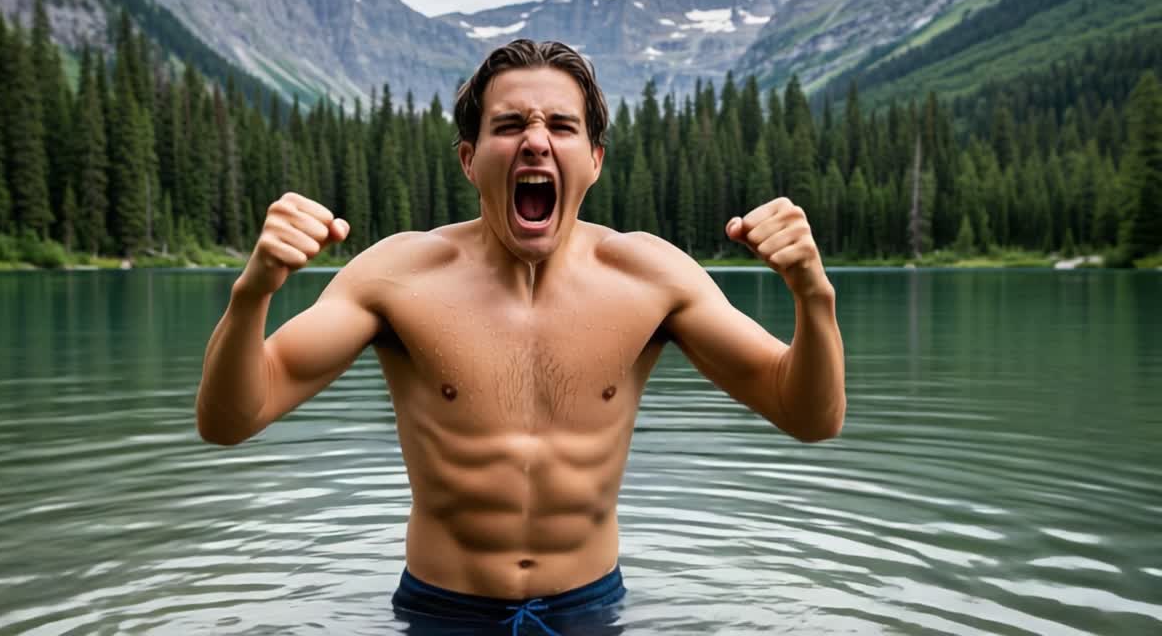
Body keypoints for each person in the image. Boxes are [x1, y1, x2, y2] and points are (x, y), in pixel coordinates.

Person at [195, 39, 845, 634]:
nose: (536, 141)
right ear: (469, 159)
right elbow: (231, 419)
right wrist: (252, 294)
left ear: (593, 160)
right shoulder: (396, 276)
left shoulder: (650, 277)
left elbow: (808, 416)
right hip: (440, 608)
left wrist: (814, 299)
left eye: (561, 126)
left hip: (588, 606)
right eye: (509, 125)